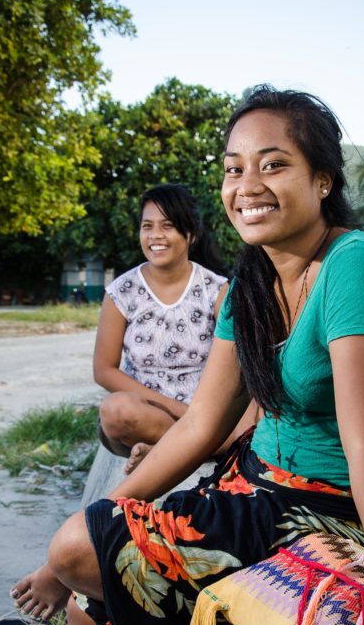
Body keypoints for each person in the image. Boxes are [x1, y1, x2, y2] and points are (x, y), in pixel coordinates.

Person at [11, 87, 364, 625]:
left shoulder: (354, 267)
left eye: (273, 164)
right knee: (89, 601)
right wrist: (103, 520)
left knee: (79, 553)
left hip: (325, 511)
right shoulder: (253, 277)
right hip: (253, 485)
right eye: (233, 168)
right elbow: (201, 425)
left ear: (322, 180)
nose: (247, 184)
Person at [94, 183, 252, 473]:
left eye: (167, 226)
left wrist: (203, 414)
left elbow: (243, 360)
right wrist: (180, 411)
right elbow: (104, 370)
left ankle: (169, 449)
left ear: (189, 234)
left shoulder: (216, 290)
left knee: (263, 400)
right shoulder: (122, 292)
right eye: (147, 226)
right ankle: (211, 446)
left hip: (209, 413)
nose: (155, 236)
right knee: (114, 411)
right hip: (148, 415)